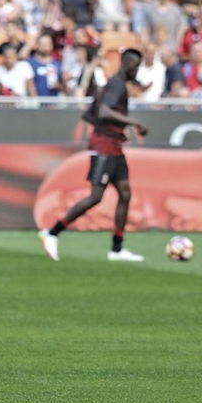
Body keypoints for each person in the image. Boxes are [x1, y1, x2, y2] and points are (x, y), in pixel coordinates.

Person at [39, 49, 148, 262]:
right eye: (135, 66)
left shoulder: (112, 84)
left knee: (125, 193)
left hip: (113, 145)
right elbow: (104, 112)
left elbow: (90, 114)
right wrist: (132, 122)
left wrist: (114, 130)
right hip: (104, 147)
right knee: (96, 196)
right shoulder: (117, 85)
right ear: (127, 64)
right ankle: (51, 232)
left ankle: (116, 249)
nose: (137, 71)